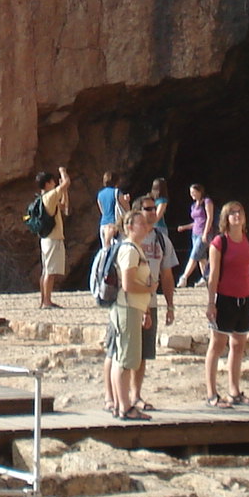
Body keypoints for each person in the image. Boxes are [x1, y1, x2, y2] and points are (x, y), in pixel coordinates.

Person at [204, 201, 249, 406]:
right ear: (226, 218)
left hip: (245, 299)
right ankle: (212, 394)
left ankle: (234, 391)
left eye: (239, 212)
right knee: (217, 345)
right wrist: (210, 303)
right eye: (232, 213)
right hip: (225, 299)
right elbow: (213, 275)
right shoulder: (219, 243)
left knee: (238, 345)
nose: (236, 216)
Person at [104, 210, 155, 420]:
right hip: (127, 309)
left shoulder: (135, 249)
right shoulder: (130, 251)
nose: (145, 226)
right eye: (140, 223)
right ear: (129, 227)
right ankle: (125, 407)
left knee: (121, 358)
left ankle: (120, 405)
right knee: (124, 360)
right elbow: (128, 284)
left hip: (131, 308)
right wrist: (151, 289)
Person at [131, 197, 177, 411]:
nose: (154, 212)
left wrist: (170, 305)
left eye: (154, 208)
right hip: (129, 303)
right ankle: (117, 398)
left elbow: (166, 275)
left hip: (152, 302)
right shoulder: (129, 240)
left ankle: (135, 396)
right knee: (125, 352)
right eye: (149, 209)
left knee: (143, 353)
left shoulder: (161, 239)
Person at [35, 165, 70, 309]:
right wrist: (63, 171)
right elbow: (66, 182)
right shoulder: (49, 196)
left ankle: (44, 300)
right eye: (52, 181)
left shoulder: (46, 198)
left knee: (47, 270)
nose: (55, 183)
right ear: (48, 183)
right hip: (52, 238)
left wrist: (64, 191)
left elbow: (64, 207)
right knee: (50, 271)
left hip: (47, 239)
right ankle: (47, 302)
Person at [179, 183, 212, 286]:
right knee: (201, 258)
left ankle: (184, 277)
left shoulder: (207, 202)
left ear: (199, 192)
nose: (192, 194)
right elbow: (197, 221)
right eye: (190, 192)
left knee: (194, 255)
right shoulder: (193, 205)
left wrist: (205, 233)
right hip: (195, 233)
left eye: (193, 192)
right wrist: (185, 227)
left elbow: (209, 218)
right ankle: (206, 278)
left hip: (203, 233)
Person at [150, 178, 173, 263]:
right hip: (156, 227)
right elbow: (157, 215)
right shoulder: (159, 200)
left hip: (156, 227)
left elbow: (157, 215)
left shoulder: (158, 200)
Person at [95, 171, 121, 247]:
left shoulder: (100, 194)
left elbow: (102, 211)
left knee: (106, 250)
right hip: (115, 225)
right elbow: (126, 208)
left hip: (103, 225)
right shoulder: (116, 192)